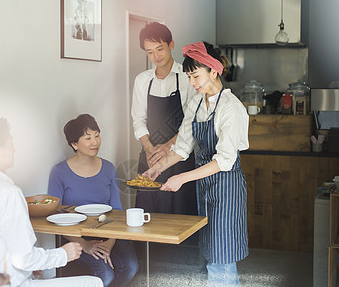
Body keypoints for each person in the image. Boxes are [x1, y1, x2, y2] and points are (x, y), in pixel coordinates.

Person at [143, 41, 249, 286]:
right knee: (211, 254)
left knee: (223, 255)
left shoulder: (231, 108)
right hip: (205, 186)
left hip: (226, 188)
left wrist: (181, 178)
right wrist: (157, 168)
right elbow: (181, 149)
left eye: (196, 75)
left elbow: (224, 161)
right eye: (189, 76)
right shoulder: (197, 103)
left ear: (214, 71)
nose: (192, 82)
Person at [0, 115, 103, 287]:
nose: (14, 151)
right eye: (11, 145)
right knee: (94, 283)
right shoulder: (8, 193)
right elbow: (23, 258)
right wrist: (63, 254)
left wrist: (30, 268)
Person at [48, 114, 138, 287]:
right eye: (88, 138)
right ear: (74, 144)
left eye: (97, 135)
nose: (95, 142)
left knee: (131, 267)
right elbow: (55, 215)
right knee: (105, 275)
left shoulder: (109, 168)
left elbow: (117, 209)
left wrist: (110, 243)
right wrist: (84, 244)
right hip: (76, 236)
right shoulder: (59, 172)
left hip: (108, 230)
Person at [131, 22, 198, 214]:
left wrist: (168, 146)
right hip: (149, 158)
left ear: (171, 44)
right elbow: (138, 119)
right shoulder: (142, 80)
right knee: (147, 214)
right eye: (150, 52)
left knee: (179, 216)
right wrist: (150, 149)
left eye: (160, 49)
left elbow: (190, 122)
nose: (156, 56)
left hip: (180, 157)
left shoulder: (187, 77)